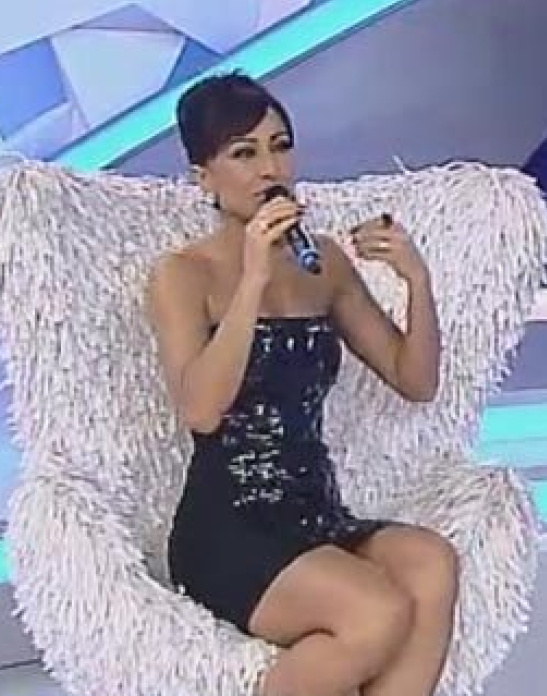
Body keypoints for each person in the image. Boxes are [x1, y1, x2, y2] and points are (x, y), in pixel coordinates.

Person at [147, 72, 457, 696]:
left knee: (432, 565)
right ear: (203, 177)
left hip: (314, 513)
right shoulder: (182, 274)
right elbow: (201, 411)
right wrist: (253, 279)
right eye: (244, 153)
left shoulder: (325, 264)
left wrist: (417, 281)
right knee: (376, 613)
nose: (270, 169)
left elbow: (415, 380)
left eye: (280, 146)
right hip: (229, 526)